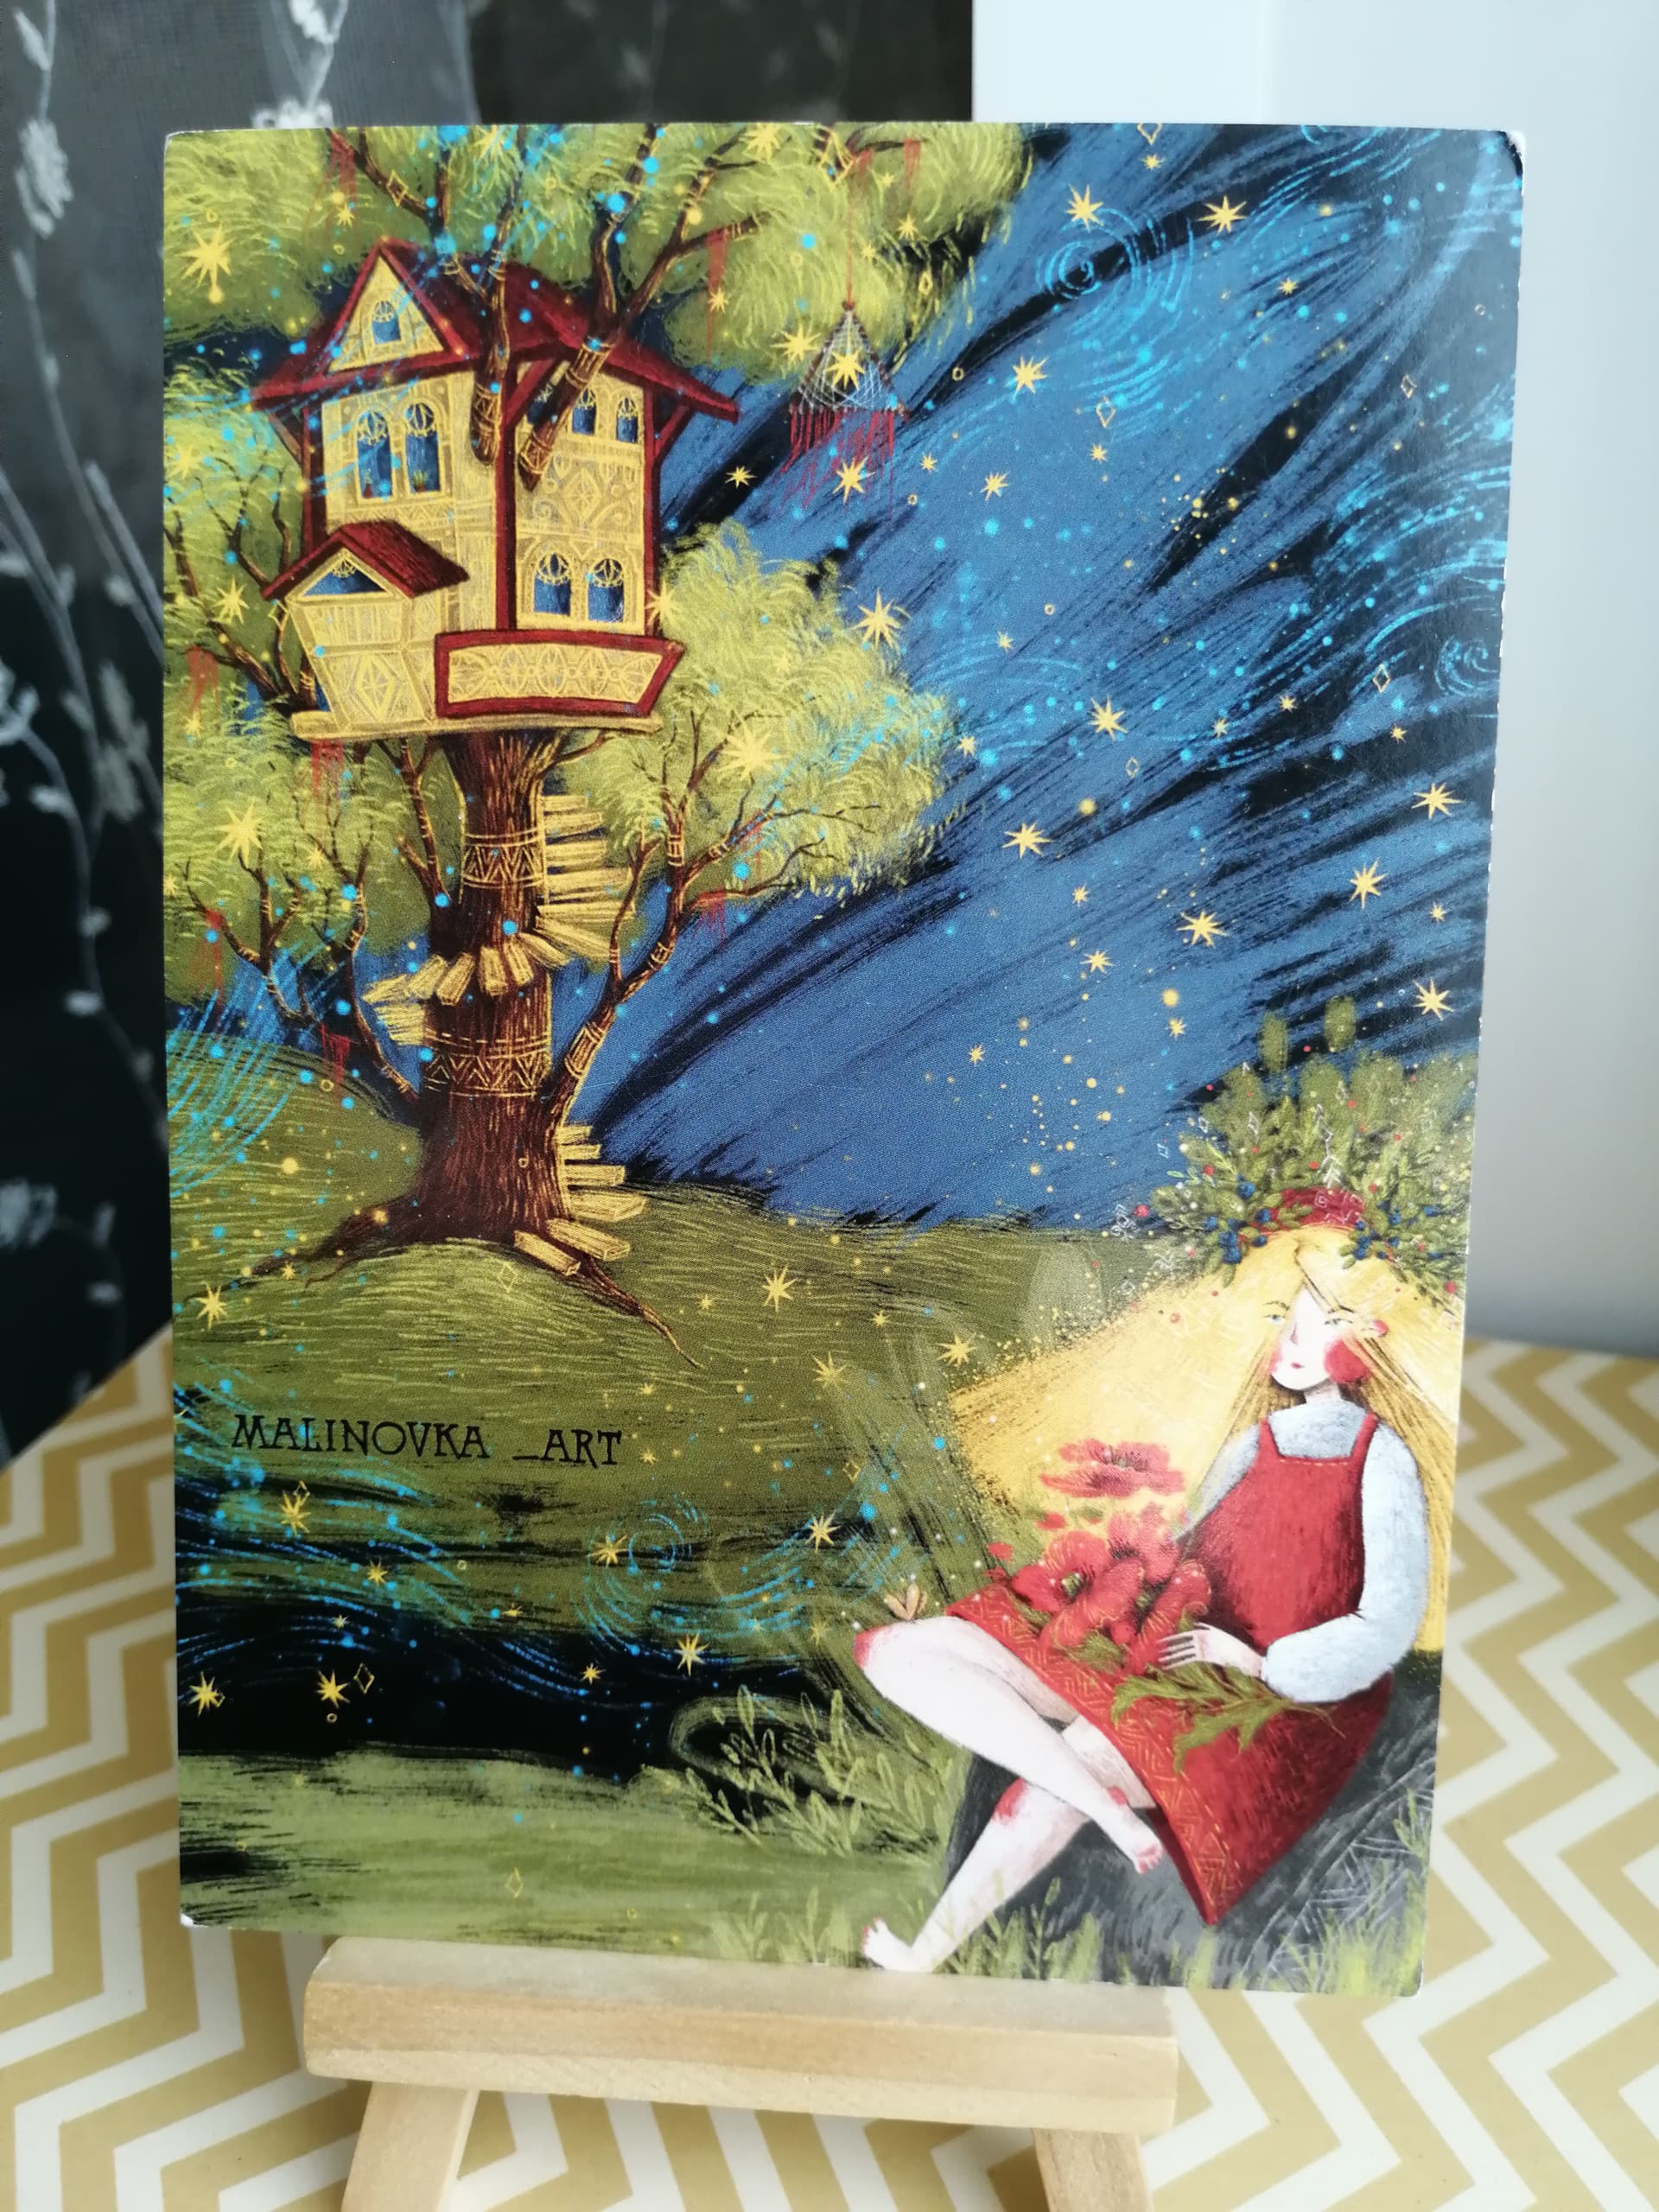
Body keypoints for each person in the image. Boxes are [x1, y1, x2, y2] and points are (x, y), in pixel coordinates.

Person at [855, 1273, 1431, 1971]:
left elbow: (1389, 1620)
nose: (1291, 1339)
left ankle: (925, 1953)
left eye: (1321, 1321)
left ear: (1369, 1334)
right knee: (897, 1649)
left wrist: (1263, 1664)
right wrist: (1111, 1551)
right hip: (1177, 1649)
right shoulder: (1253, 1444)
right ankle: (1106, 1811)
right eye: (1285, 1317)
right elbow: (1185, 1548)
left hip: (1276, 1701)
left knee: (1055, 1782)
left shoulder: (1382, 1459)